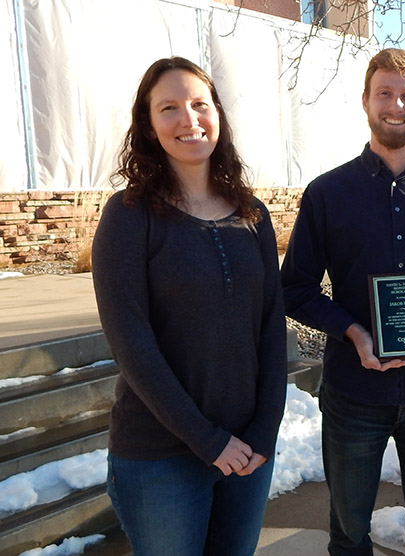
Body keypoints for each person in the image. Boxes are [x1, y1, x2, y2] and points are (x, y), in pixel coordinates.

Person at [281, 48, 405, 555]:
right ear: (366, 102)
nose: (396, 105)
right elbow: (295, 287)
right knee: (349, 535)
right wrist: (353, 331)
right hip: (354, 393)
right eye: (385, 94)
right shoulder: (327, 193)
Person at [91, 56, 287, 556]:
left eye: (200, 104)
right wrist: (207, 440)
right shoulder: (129, 215)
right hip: (159, 457)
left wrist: (264, 431)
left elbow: (269, 328)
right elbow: (131, 342)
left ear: (217, 114)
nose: (189, 118)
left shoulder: (253, 214)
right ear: (149, 124)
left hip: (246, 453)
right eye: (169, 108)